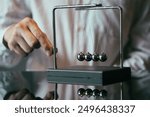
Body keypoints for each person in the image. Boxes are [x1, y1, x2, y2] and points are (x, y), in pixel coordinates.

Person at [0, 0, 150, 100]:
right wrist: (6, 36)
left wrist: (115, 76)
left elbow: (145, 51)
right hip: (44, 94)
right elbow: (4, 31)